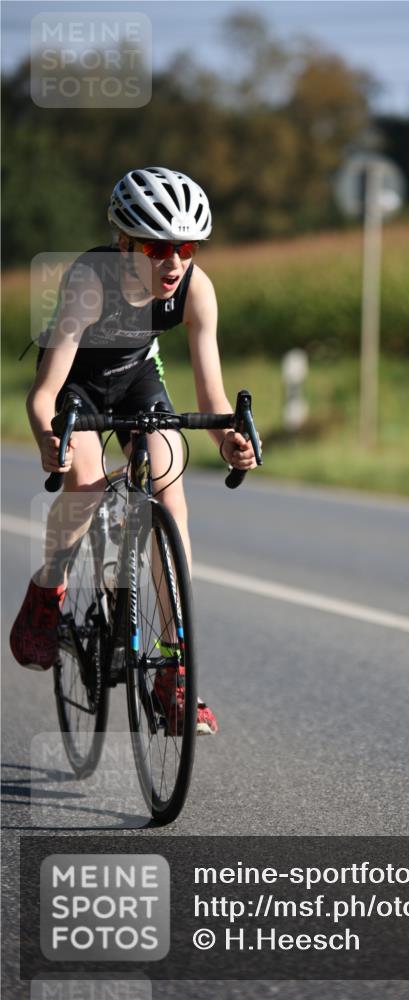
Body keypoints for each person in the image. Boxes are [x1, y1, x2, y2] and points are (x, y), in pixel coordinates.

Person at [10, 166, 258, 735]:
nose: (174, 263)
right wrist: (51, 441)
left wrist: (230, 443)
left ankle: (175, 673)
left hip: (136, 378)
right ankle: (48, 591)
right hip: (78, 383)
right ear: (124, 244)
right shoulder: (91, 282)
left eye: (187, 248)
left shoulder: (196, 288)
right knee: (89, 486)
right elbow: (44, 392)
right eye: (156, 247)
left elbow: (210, 396)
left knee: (170, 497)